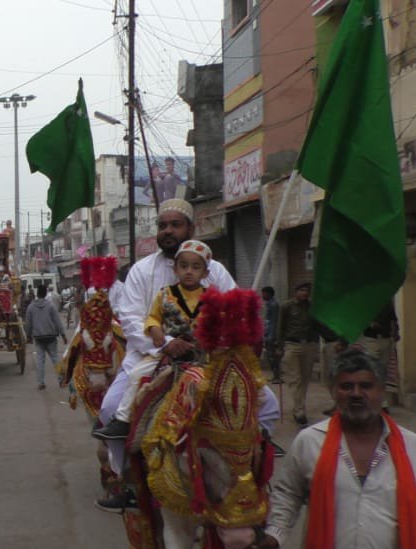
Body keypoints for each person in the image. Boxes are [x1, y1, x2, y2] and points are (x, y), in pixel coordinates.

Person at [95, 198, 279, 511]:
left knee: (267, 405)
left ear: (190, 229)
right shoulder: (140, 271)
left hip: (208, 358)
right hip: (150, 357)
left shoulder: (215, 271)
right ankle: (130, 482)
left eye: (175, 225)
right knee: (111, 408)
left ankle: (248, 468)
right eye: (162, 225)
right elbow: (131, 318)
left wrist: (217, 339)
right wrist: (165, 343)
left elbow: (231, 312)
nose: (167, 231)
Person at [258, 348, 416, 549]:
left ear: (382, 390)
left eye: (366, 386)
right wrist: (274, 535)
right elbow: (288, 494)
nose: (356, 393)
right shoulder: (309, 442)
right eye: (346, 386)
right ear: (334, 391)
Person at [100, 240, 212, 439]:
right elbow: (152, 316)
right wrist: (155, 330)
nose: (189, 271)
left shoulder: (211, 297)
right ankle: (123, 419)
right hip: (166, 352)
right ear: (175, 270)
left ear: (205, 273)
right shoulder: (165, 294)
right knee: (136, 374)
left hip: (202, 355)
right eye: (183, 266)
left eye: (195, 267)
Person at [277, 282, 321, 426]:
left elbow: (317, 325)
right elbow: (280, 327)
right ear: (295, 291)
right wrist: (279, 346)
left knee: (305, 379)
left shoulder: (313, 307)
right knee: (295, 379)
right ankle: (299, 411)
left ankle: (299, 406)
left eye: (307, 290)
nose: (304, 293)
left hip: (309, 345)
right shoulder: (287, 306)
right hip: (292, 345)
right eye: (301, 290)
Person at [26, 284, 68, 391]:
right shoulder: (51, 306)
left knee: (40, 360)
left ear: (37, 293)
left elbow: (28, 324)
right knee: (55, 359)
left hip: (39, 337)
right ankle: (61, 380)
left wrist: (28, 336)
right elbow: (57, 321)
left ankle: (41, 383)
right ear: (45, 294)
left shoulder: (31, 307)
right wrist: (63, 335)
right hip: (51, 336)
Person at [261, 286, 282, 384]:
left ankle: (277, 376)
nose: (262, 296)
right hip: (269, 333)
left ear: (269, 294)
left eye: (264, 293)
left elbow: (274, 322)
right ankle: (276, 376)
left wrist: (271, 336)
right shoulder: (270, 304)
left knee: (273, 356)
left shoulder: (273, 305)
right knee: (270, 356)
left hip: (271, 336)